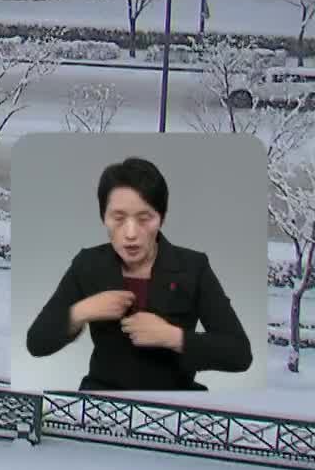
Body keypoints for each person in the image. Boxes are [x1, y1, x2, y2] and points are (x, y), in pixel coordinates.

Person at [24, 156, 252, 391]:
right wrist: (83, 311)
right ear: (103, 217)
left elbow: (239, 353)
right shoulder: (88, 265)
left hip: (174, 405)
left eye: (144, 219)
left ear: (161, 218)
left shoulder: (193, 267)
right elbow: (36, 342)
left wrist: (171, 337)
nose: (131, 233)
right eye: (118, 218)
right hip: (102, 400)